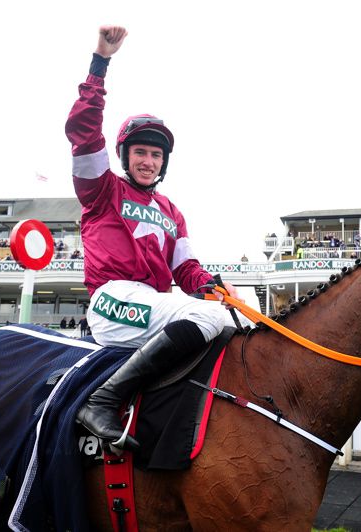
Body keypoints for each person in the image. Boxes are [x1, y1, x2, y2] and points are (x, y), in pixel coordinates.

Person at [65, 25, 239, 449]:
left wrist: (215, 288)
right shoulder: (101, 189)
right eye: (140, 152)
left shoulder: (172, 212)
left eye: (155, 154)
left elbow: (187, 269)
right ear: (125, 155)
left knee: (230, 320)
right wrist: (100, 62)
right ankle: (102, 401)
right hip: (112, 300)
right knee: (206, 318)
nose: (147, 161)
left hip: (155, 304)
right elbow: (84, 132)